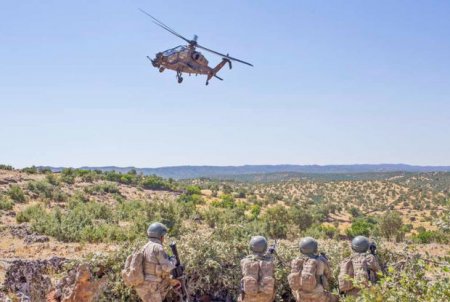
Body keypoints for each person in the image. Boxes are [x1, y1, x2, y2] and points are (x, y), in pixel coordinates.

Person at [134, 222, 180, 302]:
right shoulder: (157, 247)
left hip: (142, 285)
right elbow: (167, 267)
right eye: (164, 236)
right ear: (160, 236)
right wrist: (174, 260)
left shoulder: (144, 247)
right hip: (151, 286)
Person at [288, 237, 338, 302]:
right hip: (318, 296)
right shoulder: (320, 260)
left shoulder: (296, 262)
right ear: (315, 248)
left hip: (301, 296)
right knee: (336, 298)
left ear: (301, 249)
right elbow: (329, 275)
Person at [238, 236, 276, 302]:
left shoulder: (244, 261)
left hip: (248, 297)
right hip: (266, 298)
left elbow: (256, 257)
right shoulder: (270, 261)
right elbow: (266, 258)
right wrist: (270, 252)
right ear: (265, 247)